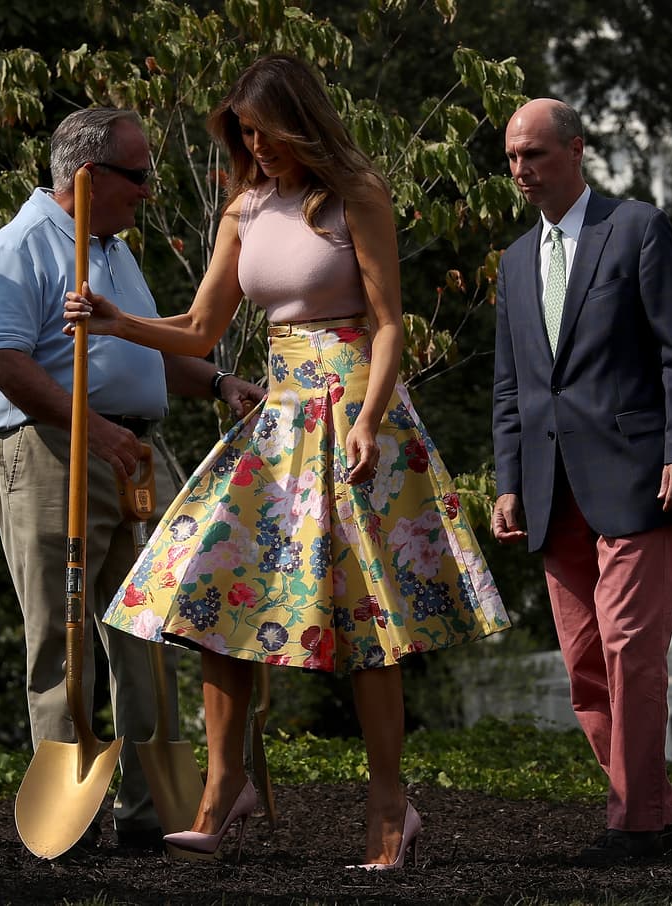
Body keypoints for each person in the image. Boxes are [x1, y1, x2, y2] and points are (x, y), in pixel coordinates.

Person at [63, 55, 510, 868]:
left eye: (265, 131)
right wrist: (116, 320)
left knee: (370, 620)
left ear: (301, 121)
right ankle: (222, 790)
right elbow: (200, 328)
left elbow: (389, 323)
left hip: (356, 413)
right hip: (279, 416)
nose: (256, 146)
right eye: (244, 133)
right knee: (212, 587)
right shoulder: (245, 207)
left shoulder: (356, 194)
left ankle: (389, 809)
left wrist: (369, 418)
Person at [0, 107, 264, 854]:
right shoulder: (22, 245)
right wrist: (90, 429)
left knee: (145, 628)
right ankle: (68, 816)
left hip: (131, 454)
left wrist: (218, 381)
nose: (148, 190)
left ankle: (149, 808)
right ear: (88, 176)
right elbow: (0, 359)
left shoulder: (115, 253)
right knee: (60, 631)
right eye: (136, 176)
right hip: (51, 450)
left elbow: (148, 348)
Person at [491, 98, 672, 867]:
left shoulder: (638, 228)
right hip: (551, 492)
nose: (521, 169)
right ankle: (659, 814)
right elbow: (513, 388)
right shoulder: (514, 262)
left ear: (576, 149)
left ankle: (634, 826)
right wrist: (508, 481)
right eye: (512, 157)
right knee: (586, 666)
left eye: (534, 154)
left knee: (629, 648)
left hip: (639, 480)